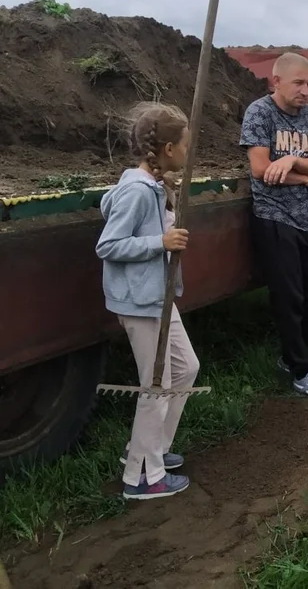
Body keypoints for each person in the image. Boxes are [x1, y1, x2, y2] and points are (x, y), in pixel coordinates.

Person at [95, 101, 200, 500]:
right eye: (186, 146)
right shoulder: (138, 191)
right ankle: (142, 476)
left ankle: (150, 448)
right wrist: (160, 242)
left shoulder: (155, 187)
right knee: (156, 385)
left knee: (186, 368)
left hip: (158, 297)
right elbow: (109, 245)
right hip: (139, 303)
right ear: (169, 150)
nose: (188, 153)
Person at [239, 52, 308, 398]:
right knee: (289, 296)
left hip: (305, 219)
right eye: (299, 82)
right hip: (271, 216)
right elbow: (260, 170)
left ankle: (290, 355)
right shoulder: (259, 112)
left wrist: (294, 160)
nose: (307, 91)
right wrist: (305, 179)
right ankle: (300, 369)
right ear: (276, 80)